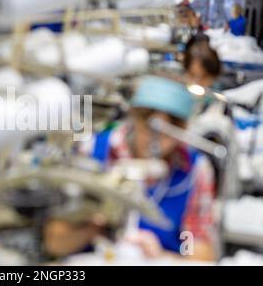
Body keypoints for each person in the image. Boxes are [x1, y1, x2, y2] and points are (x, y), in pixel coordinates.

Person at [45, 77, 216, 261]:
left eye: (167, 131)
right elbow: (56, 243)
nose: (155, 140)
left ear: (182, 128)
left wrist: (164, 256)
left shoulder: (192, 172)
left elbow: (197, 249)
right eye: (147, 126)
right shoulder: (94, 152)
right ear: (133, 117)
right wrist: (94, 228)